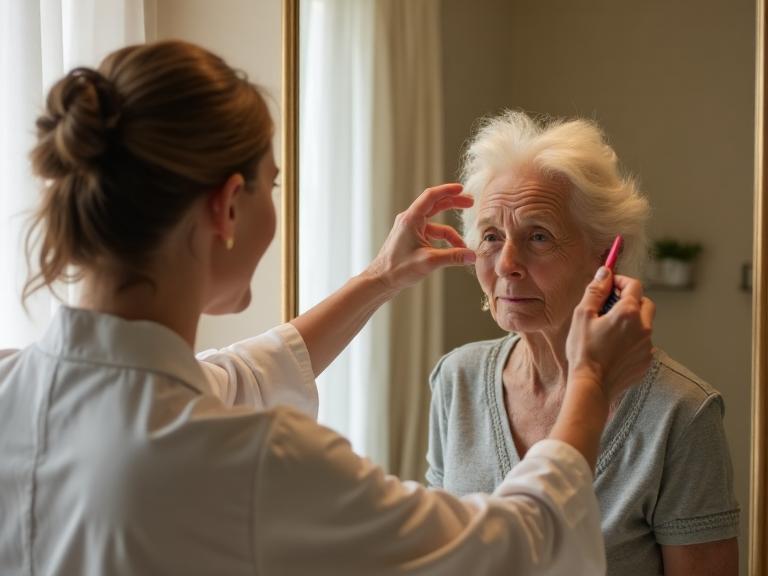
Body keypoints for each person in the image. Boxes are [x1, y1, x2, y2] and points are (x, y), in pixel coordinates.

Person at [0, 41, 653, 576]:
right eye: (273, 183)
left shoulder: (14, 389)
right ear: (228, 206)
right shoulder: (263, 464)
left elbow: (234, 376)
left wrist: (379, 277)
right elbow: (521, 551)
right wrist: (591, 381)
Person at [426, 110, 740, 576]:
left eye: (538, 236)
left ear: (604, 256)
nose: (507, 263)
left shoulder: (681, 413)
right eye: (491, 236)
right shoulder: (457, 378)